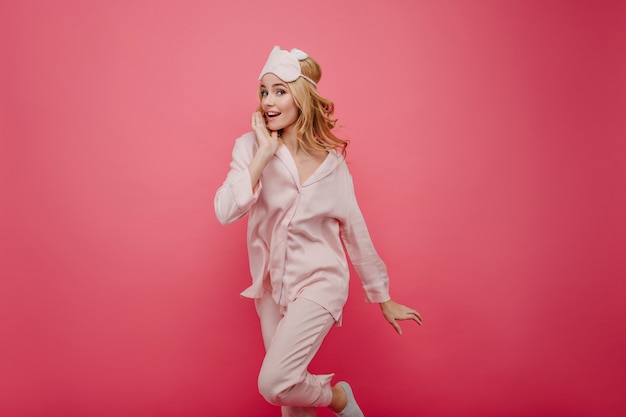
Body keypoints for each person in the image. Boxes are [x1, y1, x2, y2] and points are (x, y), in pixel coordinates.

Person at [214, 45, 422, 417]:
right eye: (264, 91)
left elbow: (354, 229)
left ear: (302, 98)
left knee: (274, 382)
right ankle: (331, 399)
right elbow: (226, 210)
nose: (269, 101)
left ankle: (339, 398)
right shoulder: (248, 148)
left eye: (280, 91)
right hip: (271, 286)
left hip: (321, 281)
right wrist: (263, 155)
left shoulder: (332, 163)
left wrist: (382, 295)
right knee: (290, 397)